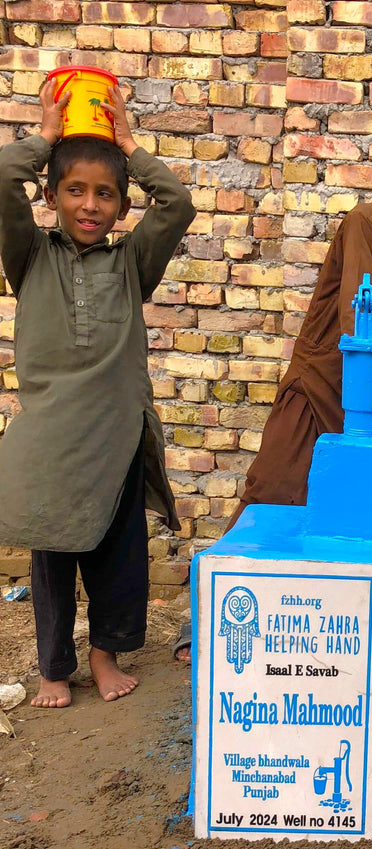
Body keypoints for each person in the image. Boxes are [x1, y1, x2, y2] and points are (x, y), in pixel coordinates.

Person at [174, 133, 372, 663]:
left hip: (370, 395)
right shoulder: (364, 223)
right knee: (273, 492)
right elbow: (360, 301)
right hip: (317, 379)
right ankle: (210, 626)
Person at [0, 79, 196, 708]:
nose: (90, 205)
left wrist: (132, 146)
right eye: (75, 190)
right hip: (53, 444)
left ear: (121, 205)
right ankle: (53, 670)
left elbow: (178, 203)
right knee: (53, 564)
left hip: (115, 438)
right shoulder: (30, 256)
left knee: (118, 559)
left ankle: (104, 656)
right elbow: (3, 180)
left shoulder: (129, 264)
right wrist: (47, 138)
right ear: (52, 195)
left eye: (105, 194)